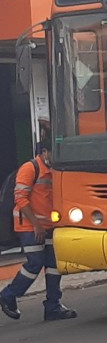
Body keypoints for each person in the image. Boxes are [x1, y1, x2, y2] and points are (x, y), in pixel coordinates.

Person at [0, 135, 77, 321]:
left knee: (54, 266)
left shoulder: (54, 169)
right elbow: (21, 199)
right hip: (29, 226)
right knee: (35, 263)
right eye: (53, 152)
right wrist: (36, 225)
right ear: (44, 152)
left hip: (50, 226)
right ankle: (8, 295)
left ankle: (53, 306)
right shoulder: (30, 168)